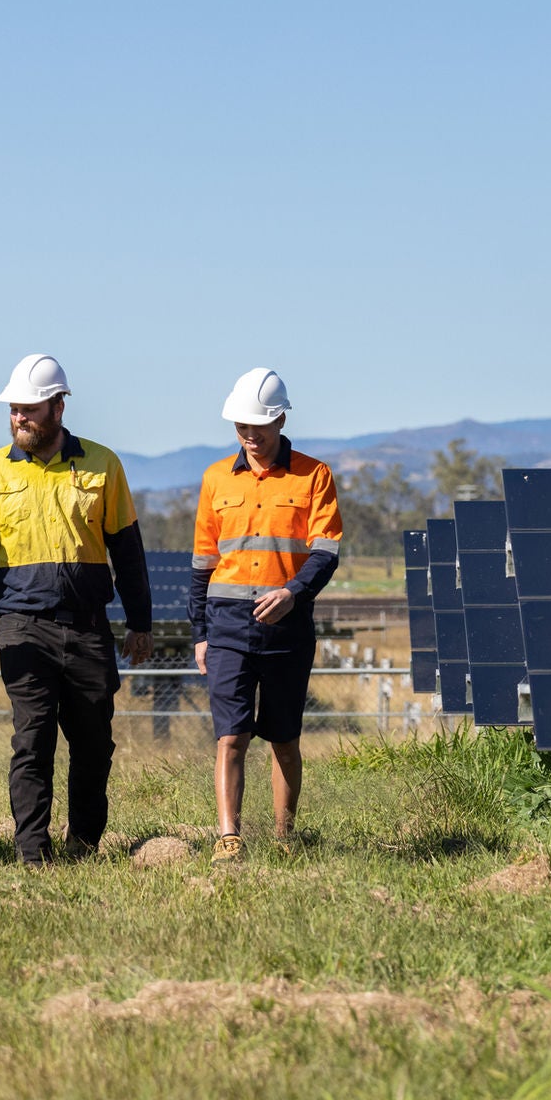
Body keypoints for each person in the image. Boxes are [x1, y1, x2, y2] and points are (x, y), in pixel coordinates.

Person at [0, 354, 154, 865]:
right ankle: (32, 854)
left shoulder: (103, 464)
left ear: (58, 407)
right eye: (13, 409)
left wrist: (140, 623)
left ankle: (83, 848)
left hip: (90, 629)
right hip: (22, 628)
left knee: (94, 746)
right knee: (33, 742)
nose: (18, 418)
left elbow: (127, 552)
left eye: (29, 409)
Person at [189, 368, 342, 864]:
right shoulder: (215, 479)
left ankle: (284, 838)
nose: (249, 436)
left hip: (287, 625)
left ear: (279, 419)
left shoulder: (314, 475)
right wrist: (200, 634)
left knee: (283, 739)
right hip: (227, 624)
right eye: (240, 427)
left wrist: (293, 593)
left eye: (257, 425)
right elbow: (202, 562)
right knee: (230, 735)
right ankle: (228, 837)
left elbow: (325, 552)